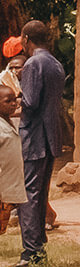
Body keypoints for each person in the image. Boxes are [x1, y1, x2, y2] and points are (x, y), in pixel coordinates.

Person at [6, 20, 65, 267]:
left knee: (28, 196)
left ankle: (30, 254)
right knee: (39, 194)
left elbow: (30, 102)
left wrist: (14, 99)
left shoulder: (32, 64)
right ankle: (38, 250)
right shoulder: (55, 63)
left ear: (27, 40)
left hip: (34, 138)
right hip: (51, 137)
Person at [0, 84, 26, 236]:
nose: (14, 103)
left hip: (8, 190)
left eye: (15, 99)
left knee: (2, 226)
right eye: (7, 101)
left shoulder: (8, 122)